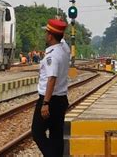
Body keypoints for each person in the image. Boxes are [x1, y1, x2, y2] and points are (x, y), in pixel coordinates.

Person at [31, 18, 70, 156]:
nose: (45, 35)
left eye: (47, 32)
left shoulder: (52, 56)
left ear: (50, 36)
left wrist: (45, 103)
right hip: (61, 99)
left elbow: (51, 79)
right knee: (56, 135)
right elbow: (62, 39)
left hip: (50, 100)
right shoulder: (64, 50)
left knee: (37, 132)